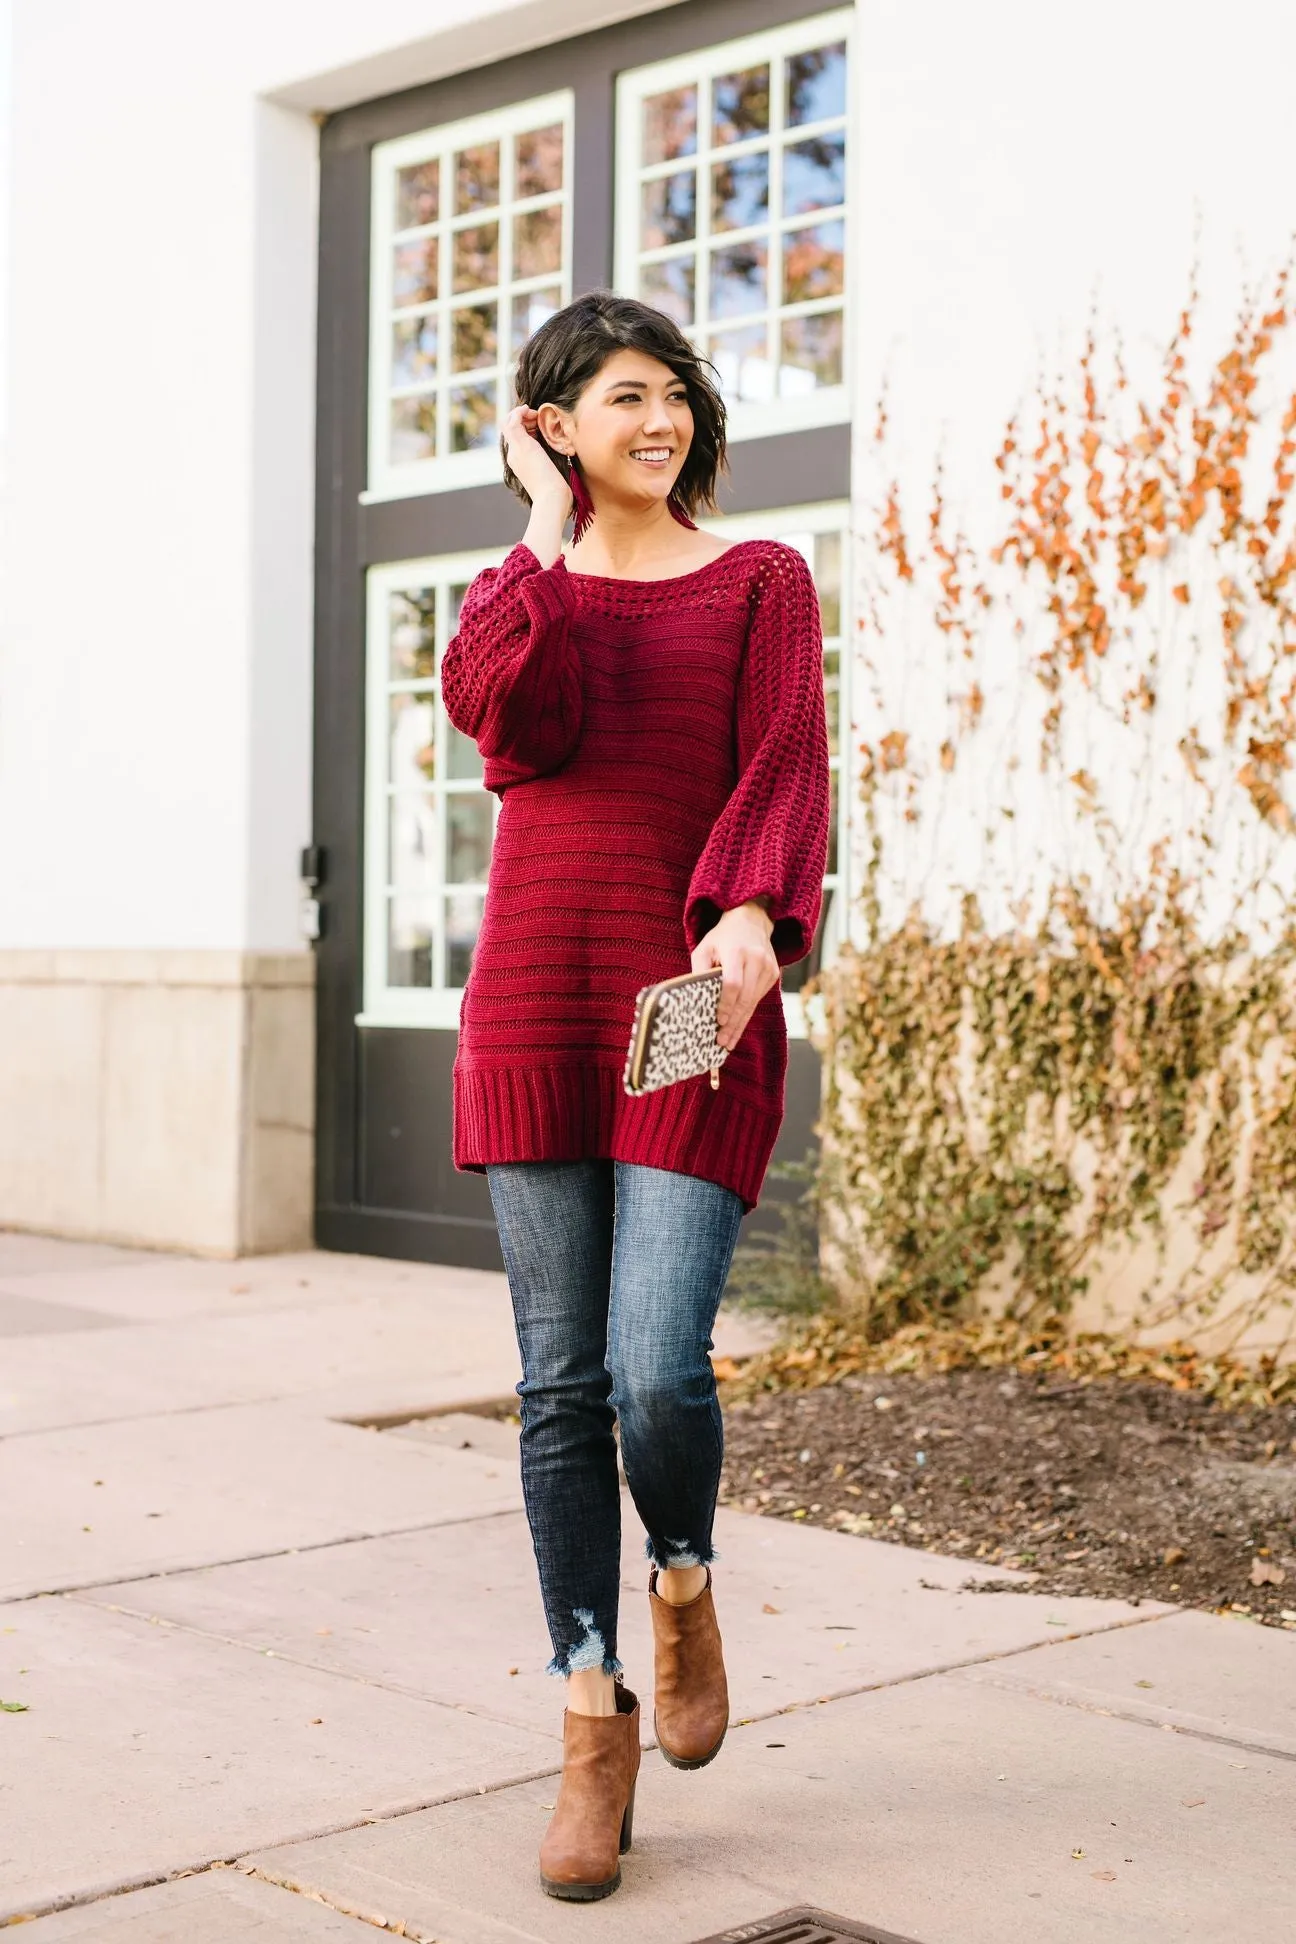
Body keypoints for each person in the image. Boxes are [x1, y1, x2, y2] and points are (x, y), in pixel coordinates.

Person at [439, 288, 830, 1901]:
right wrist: (541, 534)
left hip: (686, 1005)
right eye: (614, 398)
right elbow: (500, 722)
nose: (655, 419)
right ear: (553, 426)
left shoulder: (760, 580)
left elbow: (786, 761)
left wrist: (749, 908)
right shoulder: (516, 594)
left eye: (672, 391)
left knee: (655, 1373)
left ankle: (681, 1578)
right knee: (553, 1388)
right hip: (536, 996)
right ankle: (589, 1716)